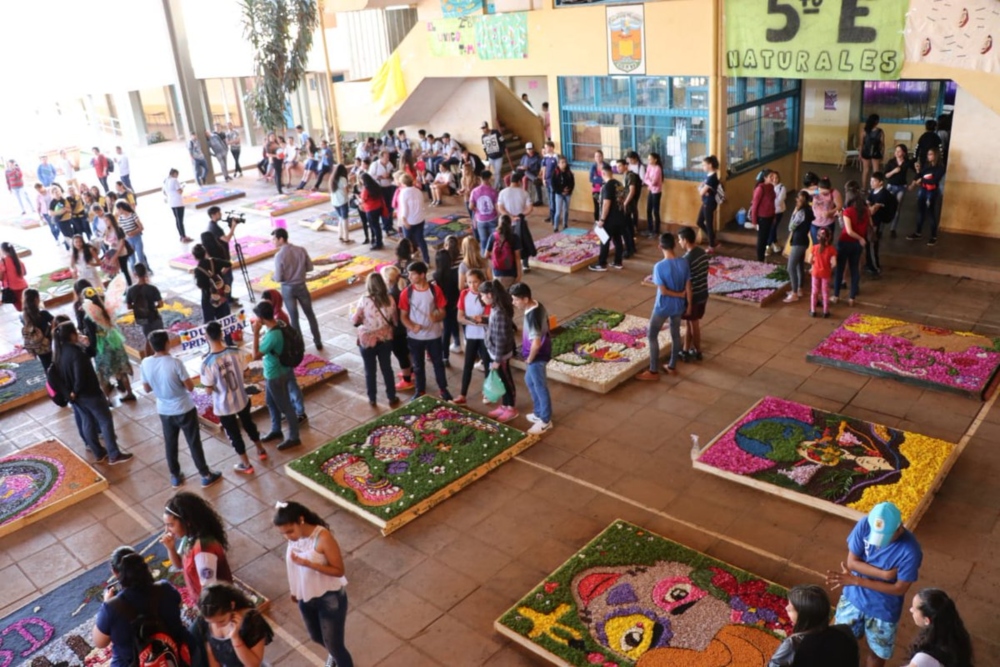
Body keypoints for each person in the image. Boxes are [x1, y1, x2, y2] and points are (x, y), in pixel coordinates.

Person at [825, 501, 923, 667]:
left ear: (899, 529)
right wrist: (884, 574)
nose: (877, 543)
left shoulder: (910, 551)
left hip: (882, 609)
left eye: (885, 537)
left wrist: (856, 580)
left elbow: (899, 588)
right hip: (853, 598)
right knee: (841, 643)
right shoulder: (865, 524)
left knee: (877, 654)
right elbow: (852, 563)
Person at [273, 500, 355, 667]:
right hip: (306, 595)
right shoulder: (294, 538)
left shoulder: (323, 538)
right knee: (316, 636)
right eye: (283, 533)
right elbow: (292, 566)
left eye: (290, 531)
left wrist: (309, 564)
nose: (288, 537)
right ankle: (333, 655)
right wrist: (294, 589)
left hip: (329, 598)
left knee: (336, 646)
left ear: (301, 520)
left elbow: (339, 570)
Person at [141, 330, 222, 489]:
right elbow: (190, 387)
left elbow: (146, 388)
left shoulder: (145, 363)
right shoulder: (175, 363)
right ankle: (205, 475)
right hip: (184, 408)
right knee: (193, 442)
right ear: (167, 343)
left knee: (170, 443)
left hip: (164, 410)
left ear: (152, 346)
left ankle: (175, 476)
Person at [52, 319, 134, 464]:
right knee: (105, 421)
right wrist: (76, 391)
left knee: (87, 422)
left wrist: (72, 394)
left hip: (76, 397)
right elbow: (80, 376)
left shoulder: (59, 352)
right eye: (75, 332)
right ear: (71, 335)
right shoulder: (76, 353)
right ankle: (114, 454)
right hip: (89, 393)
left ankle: (98, 452)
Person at [93, 547, 192, 667]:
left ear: (115, 572)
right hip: (174, 658)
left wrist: (106, 604)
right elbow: (179, 604)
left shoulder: (112, 607)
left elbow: (100, 642)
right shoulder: (165, 588)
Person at [201, 321, 267, 471]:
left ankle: (246, 464)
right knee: (249, 424)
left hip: (224, 406)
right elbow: (247, 373)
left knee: (234, 434)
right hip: (241, 398)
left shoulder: (207, 363)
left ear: (206, 337)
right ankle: (260, 449)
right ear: (222, 334)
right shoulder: (235, 351)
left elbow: (208, 390)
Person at [637, 233, 691, 381]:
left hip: (663, 306)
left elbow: (664, 291)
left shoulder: (659, 267)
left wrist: (678, 295)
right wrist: (684, 298)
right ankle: (672, 366)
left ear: (660, 246)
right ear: (674, 244)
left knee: (652, 335)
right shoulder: (684, 262)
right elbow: (688, 285)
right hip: (678, 306)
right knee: (675, 334)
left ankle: (653, 371)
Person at [766, 584, 858, 667]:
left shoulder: (793, 644)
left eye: (791, 609)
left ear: (803, 616)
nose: (786, 608)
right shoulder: (844, 630)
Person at [398, 261, 452, 401]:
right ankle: (420, 390)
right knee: (417, 366)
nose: (409, 277)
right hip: (415, 337)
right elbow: (403, 316)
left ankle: (443, 389)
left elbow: (443, 311)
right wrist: (411, 326)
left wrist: (437, 316)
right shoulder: (406, 293)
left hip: (434, 335)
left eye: (412, 274)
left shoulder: (435, 290)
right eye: (408, 274)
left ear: (422, 275)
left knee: (438, 364)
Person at [162, 492, 233, 598]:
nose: (167, 530)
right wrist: (171, 549)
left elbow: (210, 591)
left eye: (171, 525)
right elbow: (179, 565)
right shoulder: (189, 536)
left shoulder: (203, 552)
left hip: (215, 601)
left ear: (187, 522)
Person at [252, 300, 302, 451]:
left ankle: (294, 437)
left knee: (285, 406)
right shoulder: (278, 324)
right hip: (283, 369)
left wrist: (255, 334)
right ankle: (276, 429)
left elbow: (255, 355)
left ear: (261, 318)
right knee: (271, 402)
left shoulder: (272, 336)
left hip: (275, 374)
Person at [351, 273, 401, 407]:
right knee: (387, 369)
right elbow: (395, 321)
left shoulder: (364, 300)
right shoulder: (390, 299)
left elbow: (355, 320)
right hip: (385, 339)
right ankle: (391, 396)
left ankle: (372, 398)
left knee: (369, 370)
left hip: (367, 341)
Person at [509, 282, 552, 435]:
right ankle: (539, 412)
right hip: (536, 355)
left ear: (525, 299)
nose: (513, 303)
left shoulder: (533, 315)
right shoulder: (535, 305)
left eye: (515, 300)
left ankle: (545, 420)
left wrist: (530, 359)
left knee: (540, 386)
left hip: (537, 356)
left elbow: (536, 343)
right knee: (530, 381)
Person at [79, 287, 137, 402]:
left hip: (102, 346)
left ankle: (107, 400)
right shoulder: (106, 309)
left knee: (103, 373)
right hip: (114, 341)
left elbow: (92, 335)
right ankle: (129, 393)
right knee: (121, 369)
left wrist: (91, 349)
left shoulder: (89, 317)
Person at [270, 228, 323, 350]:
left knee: (294, 318)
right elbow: (310, 268)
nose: (273, 242)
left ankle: (300, 345)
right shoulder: (301, 250)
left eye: (274, 239)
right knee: (310, 314)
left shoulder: (279, 256)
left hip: (288, 288)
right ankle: (318, 341)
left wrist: (274, 277)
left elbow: (278, 277)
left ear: (281, 239)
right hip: (302, 286)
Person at [198, 583, 273, 667]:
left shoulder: (251, 620)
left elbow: (253, 664)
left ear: (232, 605)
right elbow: (211, 655)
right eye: (211, 622)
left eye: (222, 621)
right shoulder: (204, 621)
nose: (217, 626)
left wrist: (235, 638)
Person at [904, 589, 974, 667]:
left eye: (914, 609)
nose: (911, 610)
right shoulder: (956, 637)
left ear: (926, 620)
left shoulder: (923, 659)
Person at [478, 279, 516, 420]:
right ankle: (505, 405)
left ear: (489, 295)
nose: (482, 298)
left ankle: (511, 407)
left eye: (482, 295)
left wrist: (497, 360)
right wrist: (484, 320)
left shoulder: (499, 312)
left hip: (500, 355)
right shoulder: (496, 307)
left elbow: (500, 339)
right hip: (496, 353)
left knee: (506, 381)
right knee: (502, 379)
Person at [454, 269, 491, 405]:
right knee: (468, 364)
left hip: (485, 336)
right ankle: (463, 394)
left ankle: (487, 392)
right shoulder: (464, 294)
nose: (472, 285)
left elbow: (487, 317)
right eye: (469, 282)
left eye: (475, 282)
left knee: (487, 364)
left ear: (481, 281)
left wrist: (474, 320)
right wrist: (474, 321)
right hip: (471, 335)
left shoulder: (486, 296)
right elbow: (459, 317)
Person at [677, 226, 708, 361]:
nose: (679, 242)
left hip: (693, 296)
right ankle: (685, 349)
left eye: (679, 240)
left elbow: (686, 283)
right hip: (703, 292)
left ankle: (698, 350)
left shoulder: (686, 259)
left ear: (685, 240)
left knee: (693, 323)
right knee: (689, 322)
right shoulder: (702, 253)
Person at [907, 147, 946, 246]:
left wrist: (921, 181)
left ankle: (933, 236)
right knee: (920, 211)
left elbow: (934, 180)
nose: (928, 156)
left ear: (935, 155)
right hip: (923, 189)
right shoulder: (927, 165)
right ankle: (918, 232)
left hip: (932, 191)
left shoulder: (940, 168)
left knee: (931, 212)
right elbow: (920, 174)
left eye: (930, 154)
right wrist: (914, 181)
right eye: (928, 154)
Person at [497, 172, 535, 272]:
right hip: (520, 223)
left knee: (508, 244)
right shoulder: (524, 193)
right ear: (519, 181)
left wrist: (510, 216)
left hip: (507, 223)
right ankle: (525, 265)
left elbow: (500, 208)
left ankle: (511, 264)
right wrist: (520, 215)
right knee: (523, 242)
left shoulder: (503, 192)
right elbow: (530, 208)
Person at [589, 163, 624, 272]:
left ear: (603, 173)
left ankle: (602, 263)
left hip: (610, 218)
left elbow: (607, 204)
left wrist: (602, 219)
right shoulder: (619, 184)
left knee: (604, 240)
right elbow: (621, 200)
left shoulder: (607, 186)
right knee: (618, 239)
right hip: (620, 216)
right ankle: (618, 262)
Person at [193, 242, 233, 333]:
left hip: (208, 297)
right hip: (221, 294)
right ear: (205, 253)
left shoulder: (197, 270)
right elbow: (228, 264)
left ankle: (214, 340)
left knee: (209, 322)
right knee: (225, 319)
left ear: (195, 257)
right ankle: (229, 340)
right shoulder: (213, 261)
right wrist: (219, 275)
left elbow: (200, 285)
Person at [783, 191, 814, 304]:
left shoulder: (801, 212)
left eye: (799, 200)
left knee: (790, 267)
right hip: (803, 240)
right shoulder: (809, 211)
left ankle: (794, 292)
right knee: (799, 265)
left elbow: (791, 227)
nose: (797, 201)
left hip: (798, 242)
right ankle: (799, 288)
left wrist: (794, 212)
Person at [866, 171, 896, 277]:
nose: (871, 183)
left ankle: (875, 267)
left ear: (881, 182)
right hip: (872, 221)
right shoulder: (873, 191)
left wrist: (867, 208)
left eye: (874, 181)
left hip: (878, 222)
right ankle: (869, 263)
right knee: (869, 243)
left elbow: (872, 210)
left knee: (873, 243)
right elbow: (868, 203)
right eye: (871, 180)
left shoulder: (883, 194)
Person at [396, 173, 431, 263]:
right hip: (419, 218)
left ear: (403, 184)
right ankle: (426, 260)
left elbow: (404, 208)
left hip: (409, 220)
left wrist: (404, 220)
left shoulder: (403, 193)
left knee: (406, 242)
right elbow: (422, 204)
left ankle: (408, 261)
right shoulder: (418, 190)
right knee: (420, 240)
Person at [21, 289, 55, 372]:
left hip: (37, 346)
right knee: (55, 363)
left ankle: (51, 381)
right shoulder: (43, 314)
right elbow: (55, 323)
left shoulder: (23, 317)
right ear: (36, 299)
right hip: (48, 344)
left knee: (46, 366)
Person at [883, 144, 913, 238]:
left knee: (897, 208)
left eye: (899, 151)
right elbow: (885, 175)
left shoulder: (907, 162)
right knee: (886, 206)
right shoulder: (891, 162)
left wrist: (913, 183)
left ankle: (893, 229)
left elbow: (917, 171)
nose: (897, 153)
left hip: (901, 187)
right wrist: (894, 171)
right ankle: (881, 228)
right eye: (896, 151)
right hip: (891, 186)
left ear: (904, 153)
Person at [487, 215, 522, 289]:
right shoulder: (514, 237)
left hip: (497, 272)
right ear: (510, 224)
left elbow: (486, 255)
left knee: (499, 295)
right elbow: (517, 257)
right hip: (511, 272)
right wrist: (519, 274)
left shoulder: (493, 236)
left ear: (499, 224)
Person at [470, 170, 499, 255]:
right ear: (489, 178)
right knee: (494, 240)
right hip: (492, 218)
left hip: (480, 219)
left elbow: (471, 206)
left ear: (480, 178)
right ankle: (495, 257)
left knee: (483, 240)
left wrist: (478, 211)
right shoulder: (493, 191)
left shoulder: (474, 191)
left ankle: (484, 257)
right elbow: (497, 207)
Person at [809, 227, 836, 318]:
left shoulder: (814, 248)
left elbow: (810, 260)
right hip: (826, 274)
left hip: (815, 273)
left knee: (814, 291)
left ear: (817, 237)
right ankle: (825, 311)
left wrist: (813, 265)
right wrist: (829, 268)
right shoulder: (831, 249)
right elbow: (834, 263)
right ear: (829, 238)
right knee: (825, 293)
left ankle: (813, 310)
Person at [368, 150, 396, 236]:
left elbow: (394, 173)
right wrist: (381, 176)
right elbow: (370, 176)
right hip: (380, 189)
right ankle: (386, 226)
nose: (388, 158)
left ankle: (390, 225)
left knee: (390, 207)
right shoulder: (375, 165)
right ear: (381, 157)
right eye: (386, 157)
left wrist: (390, 175)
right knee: (384, 208)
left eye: (388, 157)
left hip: (389, 187)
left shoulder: (389, 164)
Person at [750, 169, 776, 262]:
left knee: (766, 238)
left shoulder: (771, 187)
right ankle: (760, 259)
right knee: (762, 239)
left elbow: (772, 202)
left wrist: (774, 216)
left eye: (773, 176)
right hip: (762, 218)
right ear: (765, 178)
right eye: (770, 177)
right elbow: (755, 205)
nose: (773, 178)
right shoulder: (760, 188)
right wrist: (754, 221)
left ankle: (763, 257)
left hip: (770, 216)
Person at [115, 201, 148, 272]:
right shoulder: (120, 218)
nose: (117, 211)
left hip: (136, 238)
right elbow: (121, 230)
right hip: (128, 240)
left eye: (117, 209)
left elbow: (141, 227)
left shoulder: (133, 215)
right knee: (132, 259)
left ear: (121, 208)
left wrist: (133, 232)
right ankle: (134, 274)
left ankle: (144, 272)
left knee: (140, 256)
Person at [616, 159, 640, 257]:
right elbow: (624, 189)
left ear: (626, 165)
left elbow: (632, 191)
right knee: (628, 227)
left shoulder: (631, 175)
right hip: (626, 204)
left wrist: (625, 203)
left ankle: (629, 250)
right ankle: (632, 248)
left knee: (626, 228)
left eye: (620, 166)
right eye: (617, 166)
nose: (618, 168)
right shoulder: (624, 175)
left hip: (628, 205)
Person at [696, 155, 721, 249]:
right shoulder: (709, 176)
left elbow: (701, 191)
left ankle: (712, 245)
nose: (703, 167)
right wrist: (702, 189)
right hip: (706, 202)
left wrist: (702, 189)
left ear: (710, 165)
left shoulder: (712, 178)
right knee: (699, 222)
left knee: (709, 224)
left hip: (709, 203)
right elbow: (701, 189)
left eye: (704, 165)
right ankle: (713, 239)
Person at [811, 176, 843, 245]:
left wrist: (830, 212)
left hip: (827, 223)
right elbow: (805, 191)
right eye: (821, 191)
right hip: (815, 222)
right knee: (816, 244)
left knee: (827, 244)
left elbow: (839, 206)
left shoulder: (834, 192)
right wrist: (818, 191)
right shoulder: (816, 191)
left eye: (825, 192)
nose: (823, 193)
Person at [357, 172, 385, 249]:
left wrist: (357, 198)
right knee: (377, 226)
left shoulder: (366, 189)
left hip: (370, 209)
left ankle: (378, 243)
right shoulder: (375, 185)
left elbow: (362, 200)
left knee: (374, 226)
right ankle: (379, 241)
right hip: (378, 207)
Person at [0, 241, 28, 311]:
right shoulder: (17, 260)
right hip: (24, 286)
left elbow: (1, 278)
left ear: (2, 251)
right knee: (28, 306)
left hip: (13, 290)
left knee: (21, 309)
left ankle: (27, 320)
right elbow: (24, 273)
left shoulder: (3, 262)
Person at [859, 114, 885, 188]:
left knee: (865, 170)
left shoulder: (864, 131)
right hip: (876, 152)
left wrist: (860, 154)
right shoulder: (880, 131)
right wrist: (882, 154)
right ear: (876, 121)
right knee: (876, 171)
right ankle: (875, 188)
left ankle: (863, 188)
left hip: (865, 152)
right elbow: (882, 144)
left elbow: (861, 144)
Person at [642, 152, 664, 237]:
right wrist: (650, 183)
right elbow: (645, 178)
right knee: (648, 210)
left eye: (650, 159)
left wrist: (650, 184)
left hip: (656, 192)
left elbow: (654, 182)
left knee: (655, 211)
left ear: (655, 160)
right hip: (651, 191)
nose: (649, 161)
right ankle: (650, 228)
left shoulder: (658, 168)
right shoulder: (649, 166)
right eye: (648, 159)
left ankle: (656, 231)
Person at [329, 164, 353, 243]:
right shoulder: (343, 179)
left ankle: (340, 235)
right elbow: (346, 191)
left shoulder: (332, 178)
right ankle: (346, 238)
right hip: (342, 201)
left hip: (334, 202)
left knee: (340, 218)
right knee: (345, 219)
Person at [551, 155, 575, 232]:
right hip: (559, 194)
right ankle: (556, 227)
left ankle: (565, 224)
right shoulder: (555, 172)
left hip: (567, 194)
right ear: (558, 163)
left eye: (565, 162)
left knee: (566, 210)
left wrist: (569, 190)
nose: (563, 164)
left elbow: (572, 183)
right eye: (561, 162)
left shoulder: (569, 172)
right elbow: (553, 184)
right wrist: (561, 191)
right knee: (558, 212)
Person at [768, 171, 787, 255]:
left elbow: (779, 201)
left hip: (778, 211)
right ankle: (775, 243)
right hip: (769, 211)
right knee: (773, 227)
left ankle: (768, 245)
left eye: (776, 178)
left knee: (772, 227)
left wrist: (769, 202)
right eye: (773, 178)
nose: (775, 180)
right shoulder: (768, 187)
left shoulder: (782, 188)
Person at [588, 151, 610, 222]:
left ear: (602, 156)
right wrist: (602, 179)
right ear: (594, 158)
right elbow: (591, 179)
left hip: (605, 189)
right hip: (596, 190)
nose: (598, 158)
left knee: (605, 206)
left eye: (599, 156)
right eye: (596, 156)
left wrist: (596, 178)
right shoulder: (593, 166)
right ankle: (597, 222)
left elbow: (608, 178)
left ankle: (604, 222)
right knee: (597, 207)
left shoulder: (606, 166)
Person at [541, 141, 558, 221]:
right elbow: (544, 168)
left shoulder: (556, 157)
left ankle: (554, 215)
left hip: (553, 181)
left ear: (551, 147)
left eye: (547, 147)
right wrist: (543, 178)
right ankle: (551, 215)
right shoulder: (545, 157)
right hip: (547, 180)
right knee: (549, 198)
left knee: (552, 198)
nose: (545, 149)